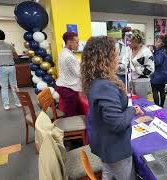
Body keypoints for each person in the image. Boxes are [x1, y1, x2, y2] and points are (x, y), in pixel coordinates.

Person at [81, 36, 144, 180]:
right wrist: (132, 110)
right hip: (115, 148)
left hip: (106, 145)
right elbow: (117, 123)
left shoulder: (96, 80)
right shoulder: (105, 86)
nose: (118, 58)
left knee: (109, 173)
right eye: (115, 54)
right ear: (105, 58)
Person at [0, 29, 21, 110]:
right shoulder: (10, 45)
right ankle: (18, 103)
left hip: (2, 68)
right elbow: (16, 57)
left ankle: (6, 105)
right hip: (11, 67)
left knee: (4, 87)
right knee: (14, 86)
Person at [55, 32, 82, 117]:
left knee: (70, 110)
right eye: (76, 42)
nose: (78, 45)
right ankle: (69, 129)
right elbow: (79, 73)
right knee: (70, 114)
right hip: (69, 88)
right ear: (69, 42)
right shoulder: (68, 56)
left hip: (64, 86)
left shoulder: (64, 52)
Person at [128, 29, 155, 97]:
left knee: (140, 102)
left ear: (136, 41)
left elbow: (150, 70)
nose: (128, 43)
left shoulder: (146, 52)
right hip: (131, 80)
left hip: (142, 81)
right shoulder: (129, 50)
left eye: (130, 41)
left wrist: (135, 68)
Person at [150, 35, 167, 107]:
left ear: (163, 44)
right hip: (164, 75)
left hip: (157, 75)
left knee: (155, 91)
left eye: (158, 41)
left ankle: (157, 106)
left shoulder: (161, 52)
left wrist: (151, 53)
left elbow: (157, 62)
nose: (156, 43)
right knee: (162, 90)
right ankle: (161, 105)